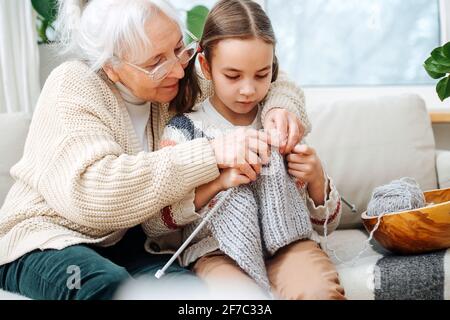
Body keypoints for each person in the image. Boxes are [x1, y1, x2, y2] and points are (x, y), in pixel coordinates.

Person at [0, 0, 310, 300]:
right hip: (47, 239)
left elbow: (264, 74)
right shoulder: (72, 84)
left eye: (178, 48)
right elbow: (94, 194)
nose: (177, 70)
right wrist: (212, 152)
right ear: (112, 66)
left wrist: (281, 108)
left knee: (189, 292)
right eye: (156, 63)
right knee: (106, 287)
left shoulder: (178, 77)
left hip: (129, 241)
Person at [154, 0, 346, 300]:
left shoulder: (280, 122)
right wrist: (218, 181)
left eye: (261, 74)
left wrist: (317, 179)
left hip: (290, 244)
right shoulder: (184, 131)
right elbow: (160, 222)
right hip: (216, 252)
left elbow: (328, 225)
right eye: (233, 76)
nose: (248, 89)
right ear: (205, 66)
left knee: (319, 291)